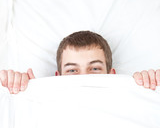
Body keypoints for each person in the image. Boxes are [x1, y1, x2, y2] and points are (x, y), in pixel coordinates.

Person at [0, 30, 160, 94]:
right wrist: (20, 90)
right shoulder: (40, 102)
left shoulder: (130, 98)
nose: (84, 77)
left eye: (95, 68)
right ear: (58, 76)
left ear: (112, 75)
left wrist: (151, 85)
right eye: (72, 70)